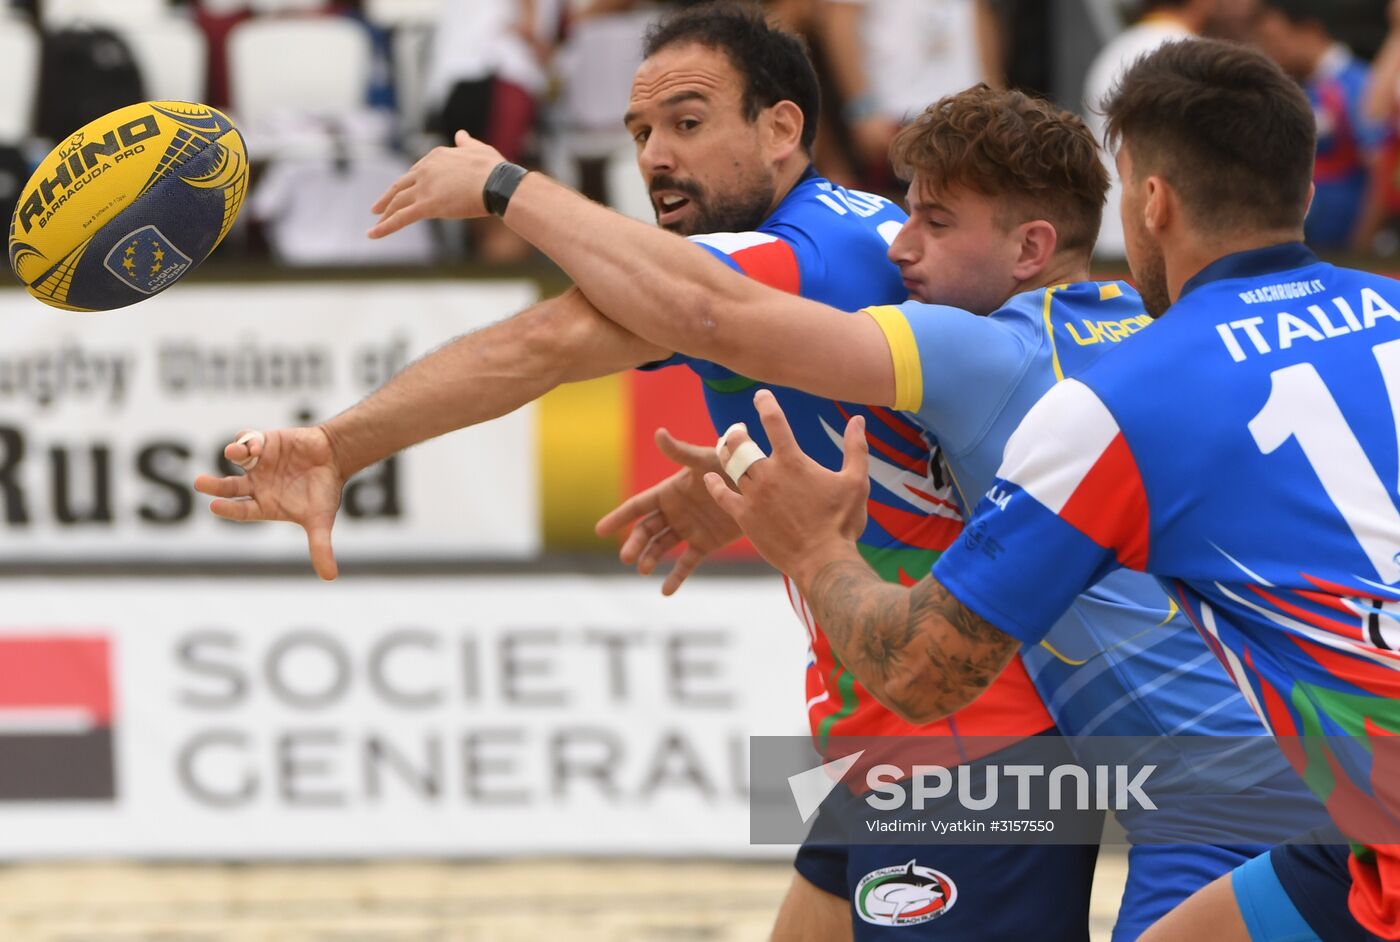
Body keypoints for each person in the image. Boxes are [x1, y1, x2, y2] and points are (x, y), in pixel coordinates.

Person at [389, 39, 1400, 940]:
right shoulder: (1327, 316)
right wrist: (741, 480)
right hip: (1310, 790)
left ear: (1143, 207)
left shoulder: (1010, 361)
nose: (895, 244)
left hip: (1178, 786)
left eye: (929, 219)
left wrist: (507, 188)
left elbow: (711, 312)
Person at [194, 5, 1083, 939]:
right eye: (641, 132)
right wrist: (730, 496)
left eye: (688, 124)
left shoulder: (792, 252)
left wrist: (338, 446)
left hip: (968, 745)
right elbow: (909, 462)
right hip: (889, 729)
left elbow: (544, 343)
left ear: (782, 129)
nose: (656, 154)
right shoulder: (848, 232)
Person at [1251, 0, 1391, 251]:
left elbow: (1381, 171)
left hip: (1349, 251)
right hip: (1302, 247)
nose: (1269, 50)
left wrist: (1362, 244)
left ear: (1310, 30)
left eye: (1273, 39)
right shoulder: (1293, 88)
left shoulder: (1360, 86)